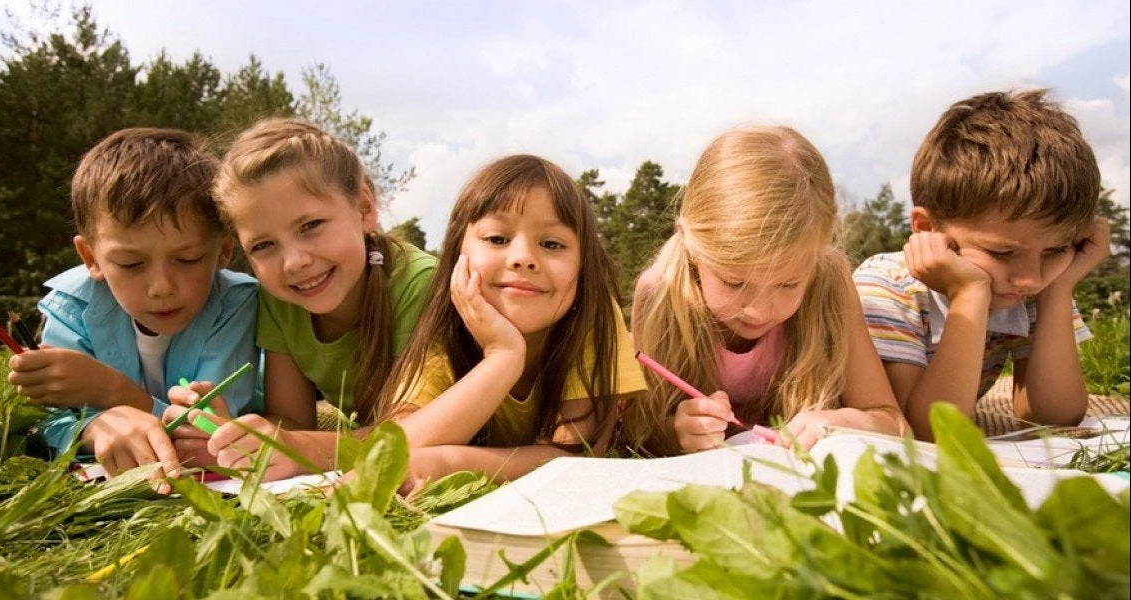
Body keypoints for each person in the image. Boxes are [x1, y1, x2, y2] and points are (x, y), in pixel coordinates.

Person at [168, 118, 436, 474]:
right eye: (264, 246)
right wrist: (229, 434)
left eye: (310, 226)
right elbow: (292, 420)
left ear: (365, 209)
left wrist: (299, 449)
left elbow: (417, 435)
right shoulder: (280, 299)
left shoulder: (420, 285)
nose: (294, 263)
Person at [623, 126, 906, 455]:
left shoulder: (830, 281)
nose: (758, 310)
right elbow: (639, 428)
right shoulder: (661, 293)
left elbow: (893, 423)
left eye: (788, 284)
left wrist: (846, 421)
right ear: (689, 243)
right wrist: (676, 432)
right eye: (734, 282)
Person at [375, 154, 647, 491]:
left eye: (551, 244)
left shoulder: (594, 319)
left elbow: (577, 456)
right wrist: (504, 356)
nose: (522, 258)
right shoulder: (446, 330)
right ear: (458, 253)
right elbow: (394, 450)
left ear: (582, 266)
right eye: (497, 239)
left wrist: (451, 462)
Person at [7, 128, 260, 483]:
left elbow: (206, 428)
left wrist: (113, 392)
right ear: (90, 257)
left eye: (187, 259)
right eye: (130, 264)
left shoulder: (237, 304)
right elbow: (46, 421)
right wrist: (94, 427)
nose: (161, 288)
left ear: (223, 251)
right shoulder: (71, 307)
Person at [853, 89, 1107, 440]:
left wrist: (1059, 290)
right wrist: (970, 294)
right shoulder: (887, 287)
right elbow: (924, 432)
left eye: (1055, 250)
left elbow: (1052, 417)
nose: (1030, 279)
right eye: (1002, 253)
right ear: (927, 229)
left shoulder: (1036, 284)